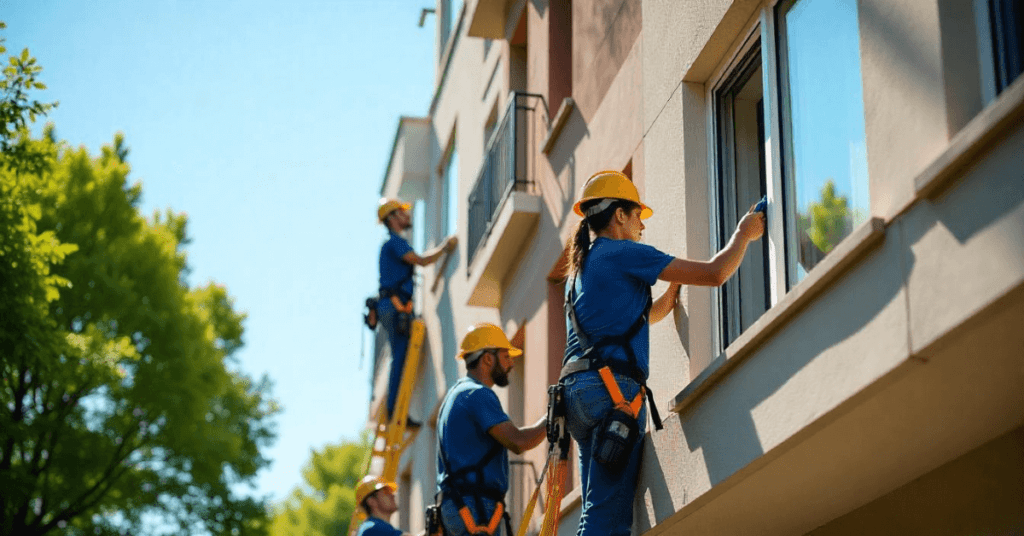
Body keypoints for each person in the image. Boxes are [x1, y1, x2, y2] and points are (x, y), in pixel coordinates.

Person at [560, 170, 764, 536]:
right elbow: (716, 273)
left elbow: (635, 318)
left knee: (596, 512)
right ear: (619, 215)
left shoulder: (581, 268)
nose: (642, 225)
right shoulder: (623, 251)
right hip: (613, 393)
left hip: (578, 395)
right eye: (638, 215)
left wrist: (669, 296)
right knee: (610, 519)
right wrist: (743, 235)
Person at [435, 323, 548, 536]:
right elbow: (518, 442)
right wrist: (553, 417)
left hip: (460, 505)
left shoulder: (457, 394)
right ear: (488, 358)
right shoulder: (477, 394)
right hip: (475, 507)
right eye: (506, 357)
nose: (511, 364)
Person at [377, 198, 457, 424]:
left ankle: (394, 410)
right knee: (399, 359)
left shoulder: (391, 244)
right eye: (402, 212)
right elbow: (421, 261)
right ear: (392, 218)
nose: (407, 216)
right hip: (395, 307)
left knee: (400, 359)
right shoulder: (395, 243)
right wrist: (445, 248)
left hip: (391, 306)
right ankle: (394, 412)